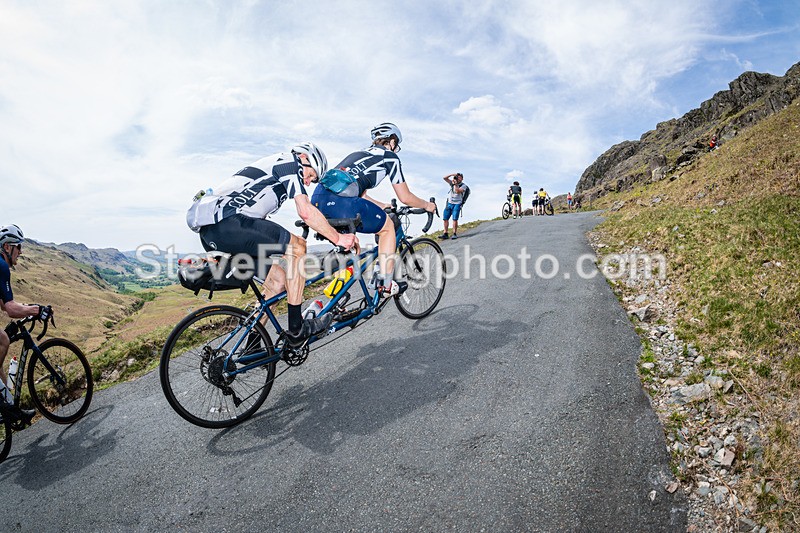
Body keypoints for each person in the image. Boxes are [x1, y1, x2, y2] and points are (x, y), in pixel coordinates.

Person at [186, 143, 358, 346]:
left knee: (277, 283)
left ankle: (252, 346)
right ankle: (297, 328)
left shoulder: (272, 178)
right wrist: (338, 238)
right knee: (298, 248)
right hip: (230, 223)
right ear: (304, 157)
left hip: (213, 231)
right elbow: (305, 210)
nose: (310, 182)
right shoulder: (289, 163)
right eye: (311, 174)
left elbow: (260, 225)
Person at [311, 122, 436, 296]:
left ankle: (331, 302)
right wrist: (427, 205)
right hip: (342, 203)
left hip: (318, 201)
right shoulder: (389, 157)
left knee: (350, 249)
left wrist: (384, 206)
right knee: (387, 229)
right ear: (392, 140)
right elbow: (405, 197)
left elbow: (359, 194)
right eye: (396, 144)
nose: (395, 148)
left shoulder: (358, 153)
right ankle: (385, 284)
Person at [0, 224, 46, 423]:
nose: (21, 251)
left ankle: (9, 409)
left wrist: (27, 307)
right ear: (8, 247)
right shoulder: (1, 266)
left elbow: (3, 305)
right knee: (2, 340)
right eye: (19, 246)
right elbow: (10, 309)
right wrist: (36, 309)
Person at [439, 172, 466, 240]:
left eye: (459, 177)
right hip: (449, 203)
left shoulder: (463, 186)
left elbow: (457, 191)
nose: (457, 178)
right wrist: (451, 175)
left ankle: (454, 233)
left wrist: (455, 184)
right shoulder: (452, 183)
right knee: (445, 218)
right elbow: (444, 178)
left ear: (462, 179)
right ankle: (445, 233)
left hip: (457, 204)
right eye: (457, 177)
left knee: (454, 219)